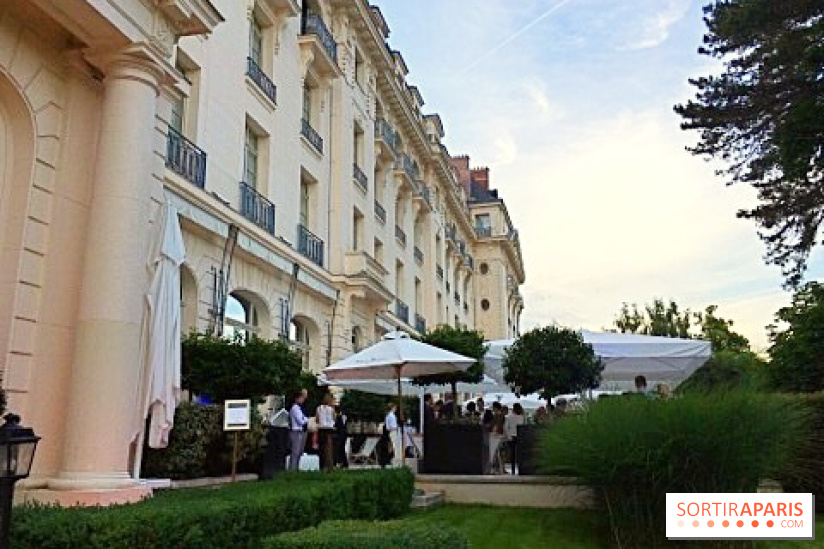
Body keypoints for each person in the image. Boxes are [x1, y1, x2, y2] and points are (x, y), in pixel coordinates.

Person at [288, 389, 309, 470]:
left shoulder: (299, 408)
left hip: (299, 431)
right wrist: (307, 419)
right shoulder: (295, 408)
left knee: (299, 452)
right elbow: (301, 420)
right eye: (301, 398)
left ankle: (296, 468)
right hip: (296, 431)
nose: (302, 400)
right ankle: (292, 469)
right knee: (295, 452)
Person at [315, 393, 336, 470]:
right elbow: (334, 419)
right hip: (329, 429)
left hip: (321, 429)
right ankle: (329, 466)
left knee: (321, 448)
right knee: (329, 449)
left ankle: (321, 465)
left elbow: (317, 419)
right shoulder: (331, 409)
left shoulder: (319, 408)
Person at [504, 403, 525, 475]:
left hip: (512, 436)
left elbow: (506, 427)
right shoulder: (521, 417)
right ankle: (518, 468)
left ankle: (513, 468)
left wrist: (508, 436)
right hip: (518, 436)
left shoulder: (510, 417)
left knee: (513, 454)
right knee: (518, 453)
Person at [487, 401, 506, 474]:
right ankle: (499, 469)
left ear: (495, 408)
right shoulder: (499, 415)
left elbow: (497, 425)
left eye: (493, 407)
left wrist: (494, 431)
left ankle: (493, 469)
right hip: (498, 435)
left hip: (496, 435)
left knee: (493, 452)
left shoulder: (498, 415)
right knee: (496, 452)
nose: (492, 408)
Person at [333, 404, 348, 468]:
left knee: (338, 449)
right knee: (341, 449)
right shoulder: (343, 416)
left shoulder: (340, 416)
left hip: (340, 435)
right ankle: (344, 463)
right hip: (343, 434)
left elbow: (339, 426)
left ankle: (338, 463)